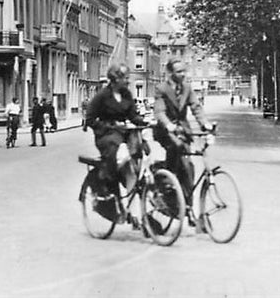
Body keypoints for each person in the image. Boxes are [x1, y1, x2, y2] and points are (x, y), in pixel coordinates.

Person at [153, 59, 214, 223]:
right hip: (166, 132)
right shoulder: (161, 89)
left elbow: (196, 107)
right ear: (171, 73)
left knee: (188, 168)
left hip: (183, 131)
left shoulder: (187, 88)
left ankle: (188, 208)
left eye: (184, 71)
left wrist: (205, 123)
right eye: (179, 71)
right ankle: (166, 182)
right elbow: (159, 111)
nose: (182, 74)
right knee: (175, 152)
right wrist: (168, 124)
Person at [85, 64, 148, 193]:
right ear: (116, 79)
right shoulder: (102, 96)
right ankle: (111, 187)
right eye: (125, 78)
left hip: (123, 133)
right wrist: (109, 126)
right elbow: (90, 119)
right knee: (115, 158)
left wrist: (145, 122)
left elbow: (132, 116)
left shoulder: (126, 94)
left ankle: (137, 182)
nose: (128, 81)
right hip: (106, 135)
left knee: (141, 149)